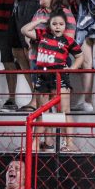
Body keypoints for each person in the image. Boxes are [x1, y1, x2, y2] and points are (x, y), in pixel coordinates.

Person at [21, 10, 83, 151]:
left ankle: (69, 143)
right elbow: (24, 30)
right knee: (42, 112)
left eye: (61, 24)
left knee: (65, 111)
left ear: (65, 26)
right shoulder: (42, 35)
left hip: (60, 76)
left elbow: (80, 56)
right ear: (49, 25)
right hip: (42, 76)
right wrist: (38, 22)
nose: (57, 27)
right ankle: (36, 143)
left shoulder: (68, 40)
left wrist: (72, 68)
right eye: (54, 24)